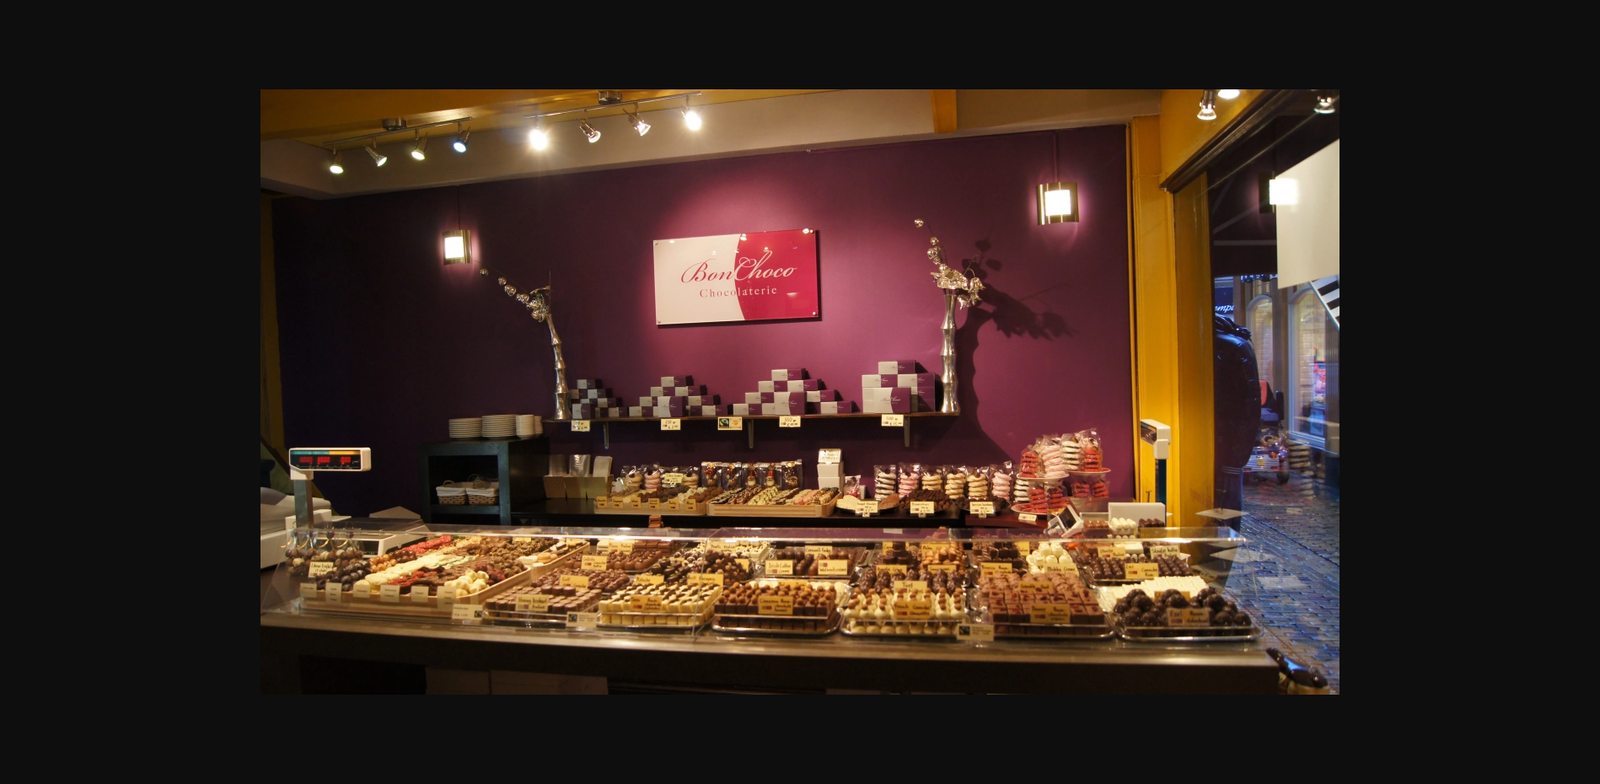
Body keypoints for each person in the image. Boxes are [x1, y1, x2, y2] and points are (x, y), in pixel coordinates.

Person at [1213, 315, 1262, 519]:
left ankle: (1225, 536)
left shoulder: (1226, 346)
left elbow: (1242, 404)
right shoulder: (1238, 344)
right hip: (1231, 442)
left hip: (1225, 441)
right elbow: (1248, 404)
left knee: (1224, 501)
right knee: (1228, 501)